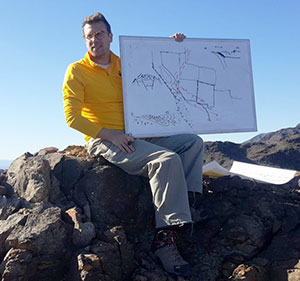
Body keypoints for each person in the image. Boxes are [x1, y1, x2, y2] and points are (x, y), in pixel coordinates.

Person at [62, 12, 204, 276]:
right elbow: (72, 117)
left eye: (100, 34)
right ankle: (165, 238)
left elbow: (163, 69)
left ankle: (189, 205)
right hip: (105, 138)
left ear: (110, 36)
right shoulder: (77, 71)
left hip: (141, 132)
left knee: (192, 143)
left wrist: (173, 45)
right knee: (166, 159)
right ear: (85, 41)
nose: (95, 40)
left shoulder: (127, 62)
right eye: (89, 36)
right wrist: (110, 135)